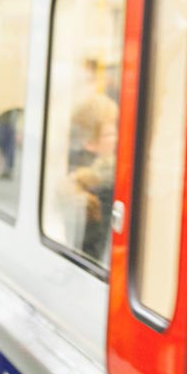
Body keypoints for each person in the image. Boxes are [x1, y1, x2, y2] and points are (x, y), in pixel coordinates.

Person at [65, 94, 118, 263]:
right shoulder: (102, 186)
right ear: (90, 143)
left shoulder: (76, 176)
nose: (117, 137)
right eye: (110, 134)